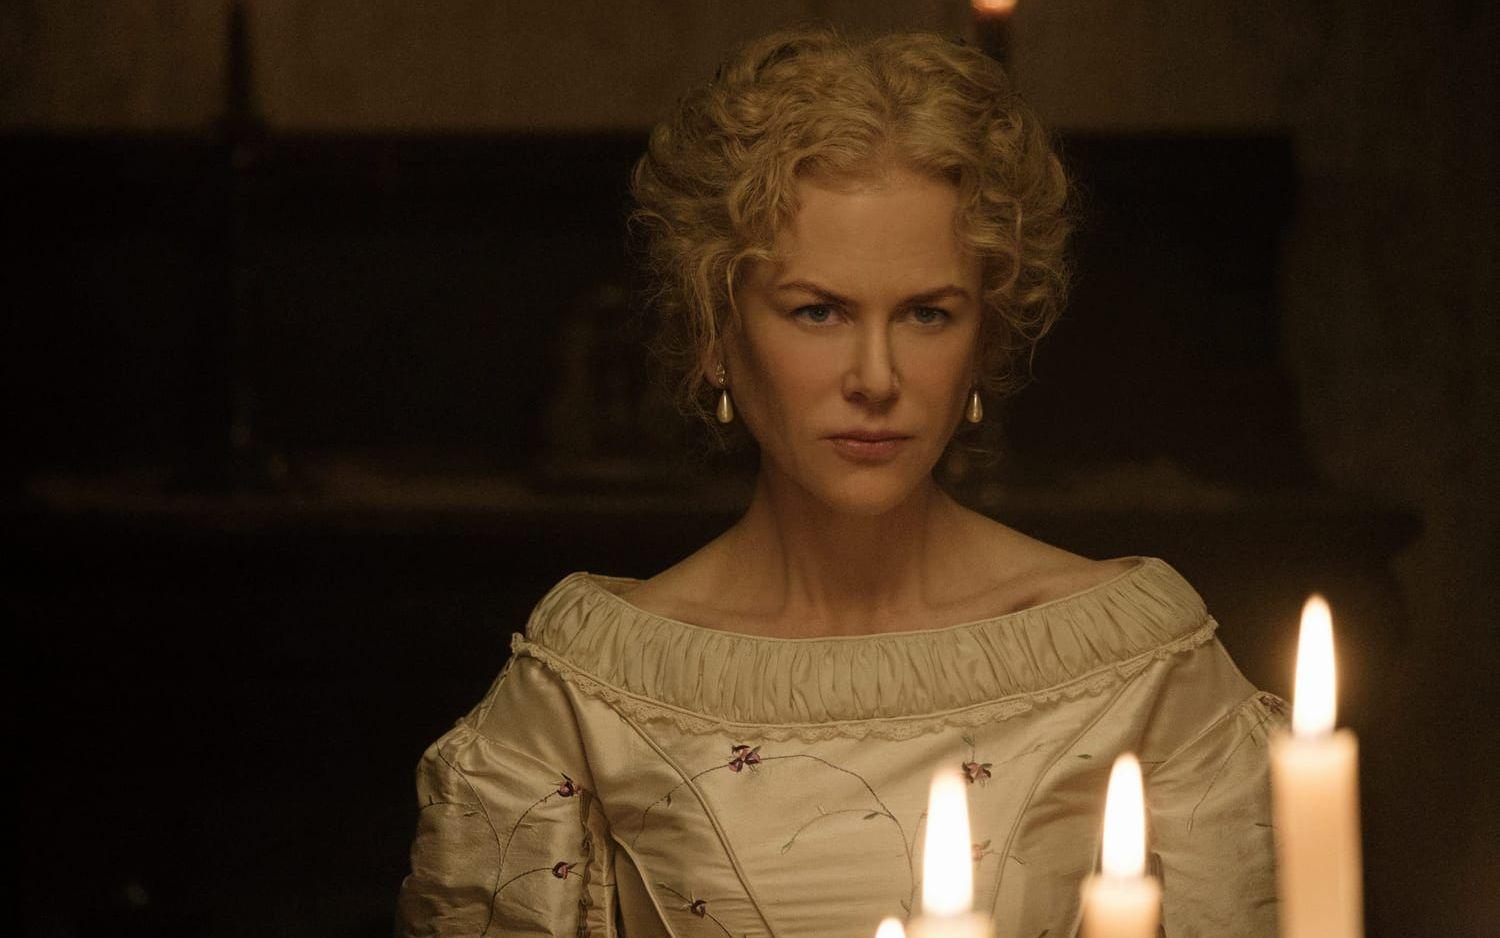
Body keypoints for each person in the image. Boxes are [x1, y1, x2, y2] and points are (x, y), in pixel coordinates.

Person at [395, 24, 1282, 938]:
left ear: (984, 337)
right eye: (818, 311)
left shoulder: (1139, 667)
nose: (876, 378)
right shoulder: (590, 692)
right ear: (716, 334)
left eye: (928, 314)